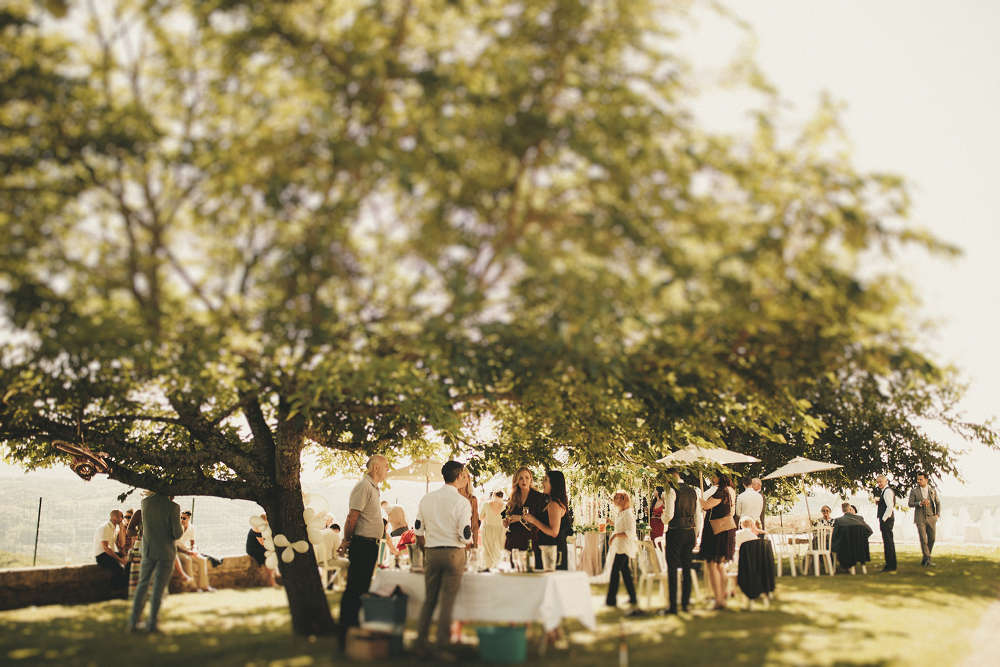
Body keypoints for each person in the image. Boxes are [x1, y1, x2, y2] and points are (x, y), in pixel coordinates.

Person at [414, 461, 473, 658]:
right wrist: (468, 542)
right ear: (458, 477)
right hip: (453, 553)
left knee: (429, 599)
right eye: (463, 475)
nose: (465, 478)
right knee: (447, 600)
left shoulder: (426, 499)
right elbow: (465, 534)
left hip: (431, 551)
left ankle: (420, 642)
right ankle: (440, 646)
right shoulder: (462, 502)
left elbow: (418, 529)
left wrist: (427, 547)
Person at [337, 454, 389, 642]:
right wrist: (346, 540)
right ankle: (345, 629)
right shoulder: (363, 486)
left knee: (362, 587)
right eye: (386, 467)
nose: (387, 470)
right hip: (362, 544)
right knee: (354, 587)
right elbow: (352, 516)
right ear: (376, 468)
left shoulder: (374, 488)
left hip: (370, 545)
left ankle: (354, 626)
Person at [128, 491, 183, 633]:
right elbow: (177, 534)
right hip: (166, 552)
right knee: (158, 589)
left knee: (142, 585)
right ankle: (152, 624)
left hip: (148, 551)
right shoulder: (173, 507)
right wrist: (181, 525)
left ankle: (133, 622)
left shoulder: (145, 503)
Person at [660, 469, 697, 615]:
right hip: (690, 531)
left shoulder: (671, 490)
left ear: (670, 477)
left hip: (676, 531)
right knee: (687, 568)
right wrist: (696, 532)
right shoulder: (693, 491)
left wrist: (662, 519)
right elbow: (698, 515)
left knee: (672, 568)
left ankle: (673, 607)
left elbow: (669, 514)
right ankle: (686, 604)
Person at [699, 473, 736, 610]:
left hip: (716, 531)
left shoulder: (721, 492)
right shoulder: (729, 491)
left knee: (712, 564)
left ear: (719, 478)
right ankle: (721, 597)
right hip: (724, 529)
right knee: (719, 565)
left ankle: (719, 599)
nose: (712, 478)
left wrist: (700, 498)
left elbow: (707, 506)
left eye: (714, 476)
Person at [524, 470, 571, 570]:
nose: (542, 483)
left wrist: (534, 520)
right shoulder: (551, 502)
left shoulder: (554, 504)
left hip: (552, 552)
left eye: (546, 480)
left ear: (553, 484)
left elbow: (554, 532)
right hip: (548, 550)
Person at [502, 467, 546, 568]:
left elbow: (539, 523)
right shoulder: (512, 498)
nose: (524, 481)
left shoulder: (539, 498)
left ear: (531, 479)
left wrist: (520, 519)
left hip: (530, 543)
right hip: (513, 543)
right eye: (521, 478)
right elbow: (507, 516)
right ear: (516, 481)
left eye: (527, 477)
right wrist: (507, 522)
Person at [606, 490, 639, 614]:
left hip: (625, 546)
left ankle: (611, 599)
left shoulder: (629, 514)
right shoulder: (621, 513)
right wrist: (612, 523)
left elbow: (630, 531)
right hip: (620, 546)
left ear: (624, 500)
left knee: (615, 571)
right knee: (625, 571)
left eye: (618, 498)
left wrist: (614, 536)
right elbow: (621, 527)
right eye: (615, 498)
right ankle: (633, 596)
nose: (615, 500)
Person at [908, 473, 942, 567]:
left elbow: (938, 503)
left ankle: (925, 558)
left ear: (926, 480)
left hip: (931, 518)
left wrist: (937, 515)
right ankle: (928, 559)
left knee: (932, 538)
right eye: (918, 479)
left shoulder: (932, 490)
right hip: (920, 518)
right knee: (923, 539)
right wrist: (920, 503)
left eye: (920, 479)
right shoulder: (914, 491)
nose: (918, 481)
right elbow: (910, 503)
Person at [175, 511, 213, 592]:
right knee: (187, 560)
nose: (182, 520)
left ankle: (204, 586)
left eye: (184, 518)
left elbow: (192, 543)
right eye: (181, 518)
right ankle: (193, 587)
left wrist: (194, 549)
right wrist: (187, 552)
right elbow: (174, 545)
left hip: (186, 550)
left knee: (202, 560)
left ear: (189, 518)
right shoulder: (177, 527)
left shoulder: (191, 528)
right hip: (177, 552)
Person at [831, 502, 873, 572]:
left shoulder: (838, 520)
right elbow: (870, 531)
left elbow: (835, 536)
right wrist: (862, 539)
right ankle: (863, 567)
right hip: (860, 546)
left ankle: (843, 566)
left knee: (836, 545)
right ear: (850, 509)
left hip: (846, 548)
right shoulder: (860, 518)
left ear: (842, 510)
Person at [94, 510, 128, 590]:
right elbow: (106, 548)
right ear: (114, 518)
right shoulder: (105, 528)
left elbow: (122, 544)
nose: (123, 518)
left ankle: (126, 588)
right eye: (121, 516)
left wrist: (122, 529)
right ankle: (116, 591)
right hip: (102, 555)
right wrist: (120, 560)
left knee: (128, 561)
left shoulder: (114, 529)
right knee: (118, 570)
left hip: (109, 553)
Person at [246, 515, 278, 587]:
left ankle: (275, 573)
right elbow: (262, 543)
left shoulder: (264, 528)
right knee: (269, 559)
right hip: (254, 549)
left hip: (261, 548)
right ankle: (272, 582)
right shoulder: (256, 528)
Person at [875, 475, 897, 572]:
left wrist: (883, 519)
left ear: (886, 481)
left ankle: (890, 565)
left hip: (886, 520)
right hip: (886, 520)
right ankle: (891, 564)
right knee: (888, 542)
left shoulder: (887, 491)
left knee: (888, 542)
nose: (879, 484)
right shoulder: (885, 491)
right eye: (878, 482)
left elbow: (890, 507)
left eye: (881, 482)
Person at [480, 491, 506, 570]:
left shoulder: (486, 505)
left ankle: (488, 569)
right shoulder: (505, 506)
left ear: (493, 495)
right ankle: (498, 569)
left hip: (489, 530)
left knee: (488, 552)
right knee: (499, 552)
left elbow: (481, 517)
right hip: (501, 531)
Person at [457, 475, 481, 549]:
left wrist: (475, 544)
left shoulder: (472, 499)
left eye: (464, 477)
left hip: (466, 542)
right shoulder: (451, 497)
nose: (461, 479)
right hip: (451, 542)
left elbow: (475, 524)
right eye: (459, 477)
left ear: (468, 479)